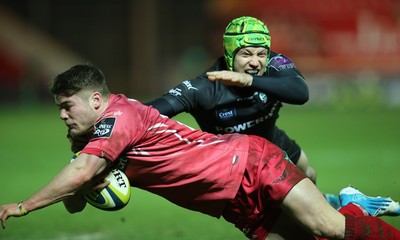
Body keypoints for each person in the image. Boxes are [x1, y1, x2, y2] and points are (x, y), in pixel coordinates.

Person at [1, 64, 399, 240]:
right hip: (230, 203)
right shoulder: (91, 143)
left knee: (327, 228)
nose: (61, 115)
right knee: (319, 234)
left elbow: (83, 171)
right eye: (58, 107)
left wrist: (24, 206)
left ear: (95, 99)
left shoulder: (119, 117)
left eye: (67, 106)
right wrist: (85, 188)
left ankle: (352, 214)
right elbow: (76, 196)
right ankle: (353, 206)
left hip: (249, 163)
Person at [146, 16, 315, 183]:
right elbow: (145, 114)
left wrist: (249, 80)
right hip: (234, 164)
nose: (255, 62)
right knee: (281, 205)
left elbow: (301, 93)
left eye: (261, 54)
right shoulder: (205, 88)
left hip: (274, 143)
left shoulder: (275, 63)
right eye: (246, 54)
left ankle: (326, 201)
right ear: (229, 54)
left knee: (309, 173)